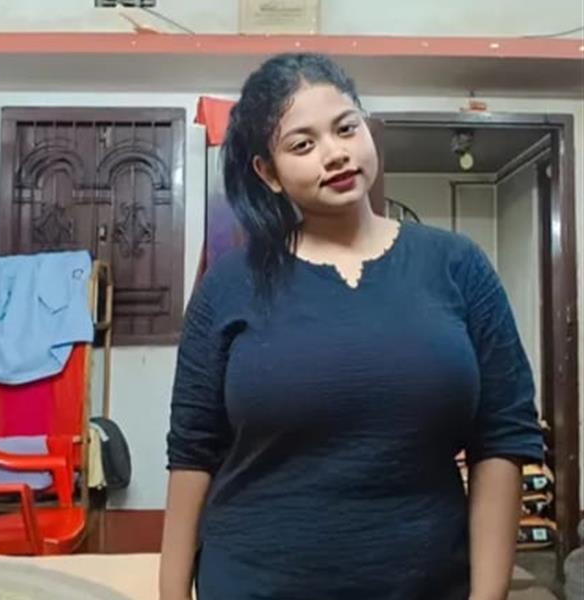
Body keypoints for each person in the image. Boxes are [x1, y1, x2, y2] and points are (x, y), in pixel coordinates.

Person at [159, 53, 544, 600]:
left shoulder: (459, 266)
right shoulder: (227, 285)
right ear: (268, 173)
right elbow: (192, 453)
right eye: (302, 145)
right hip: (253, 582)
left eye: (346, 128)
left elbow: (503, 437)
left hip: (429, 583)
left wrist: (488, 595)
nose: (335, 153)